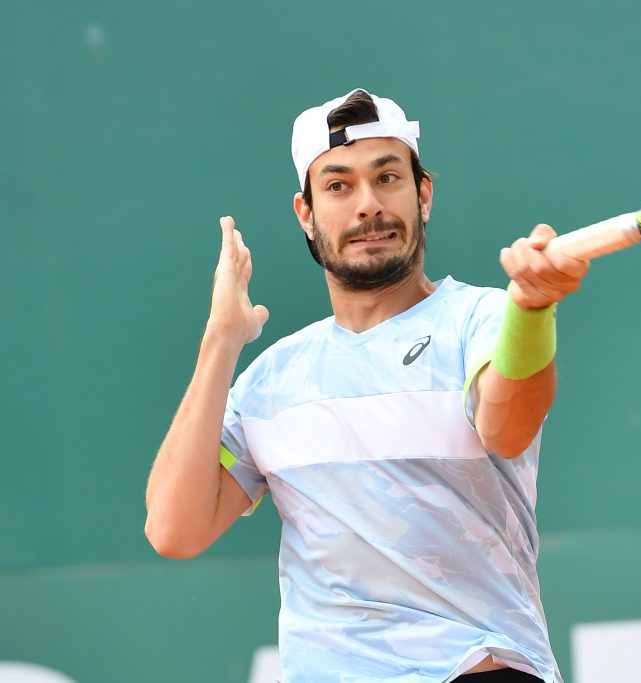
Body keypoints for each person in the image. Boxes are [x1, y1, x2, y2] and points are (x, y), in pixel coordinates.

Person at [144, 88, 589, 683]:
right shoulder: (270, 381)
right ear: (306, 213)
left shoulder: (483, 321)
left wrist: (532, 308)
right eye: (338, 186)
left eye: (387, 178)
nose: (368, 206)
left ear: (423, 194)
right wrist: (220, 341)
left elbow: (507, 428)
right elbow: (175, 530)